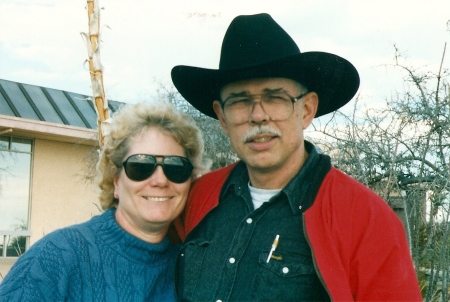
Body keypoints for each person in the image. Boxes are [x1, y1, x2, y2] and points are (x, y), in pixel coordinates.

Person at [171, 13, 421, 301]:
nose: (258, 116)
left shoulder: (367, 219)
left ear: (306, 110)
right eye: (240, 101)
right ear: (222, 117)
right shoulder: (197, 199)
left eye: (275, 98)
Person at [0, 101, 206, 301]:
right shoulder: (55, 258)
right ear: (116, 180)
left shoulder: (194, 267)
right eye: (141, 166)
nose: (160, 180)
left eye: (176, 167)